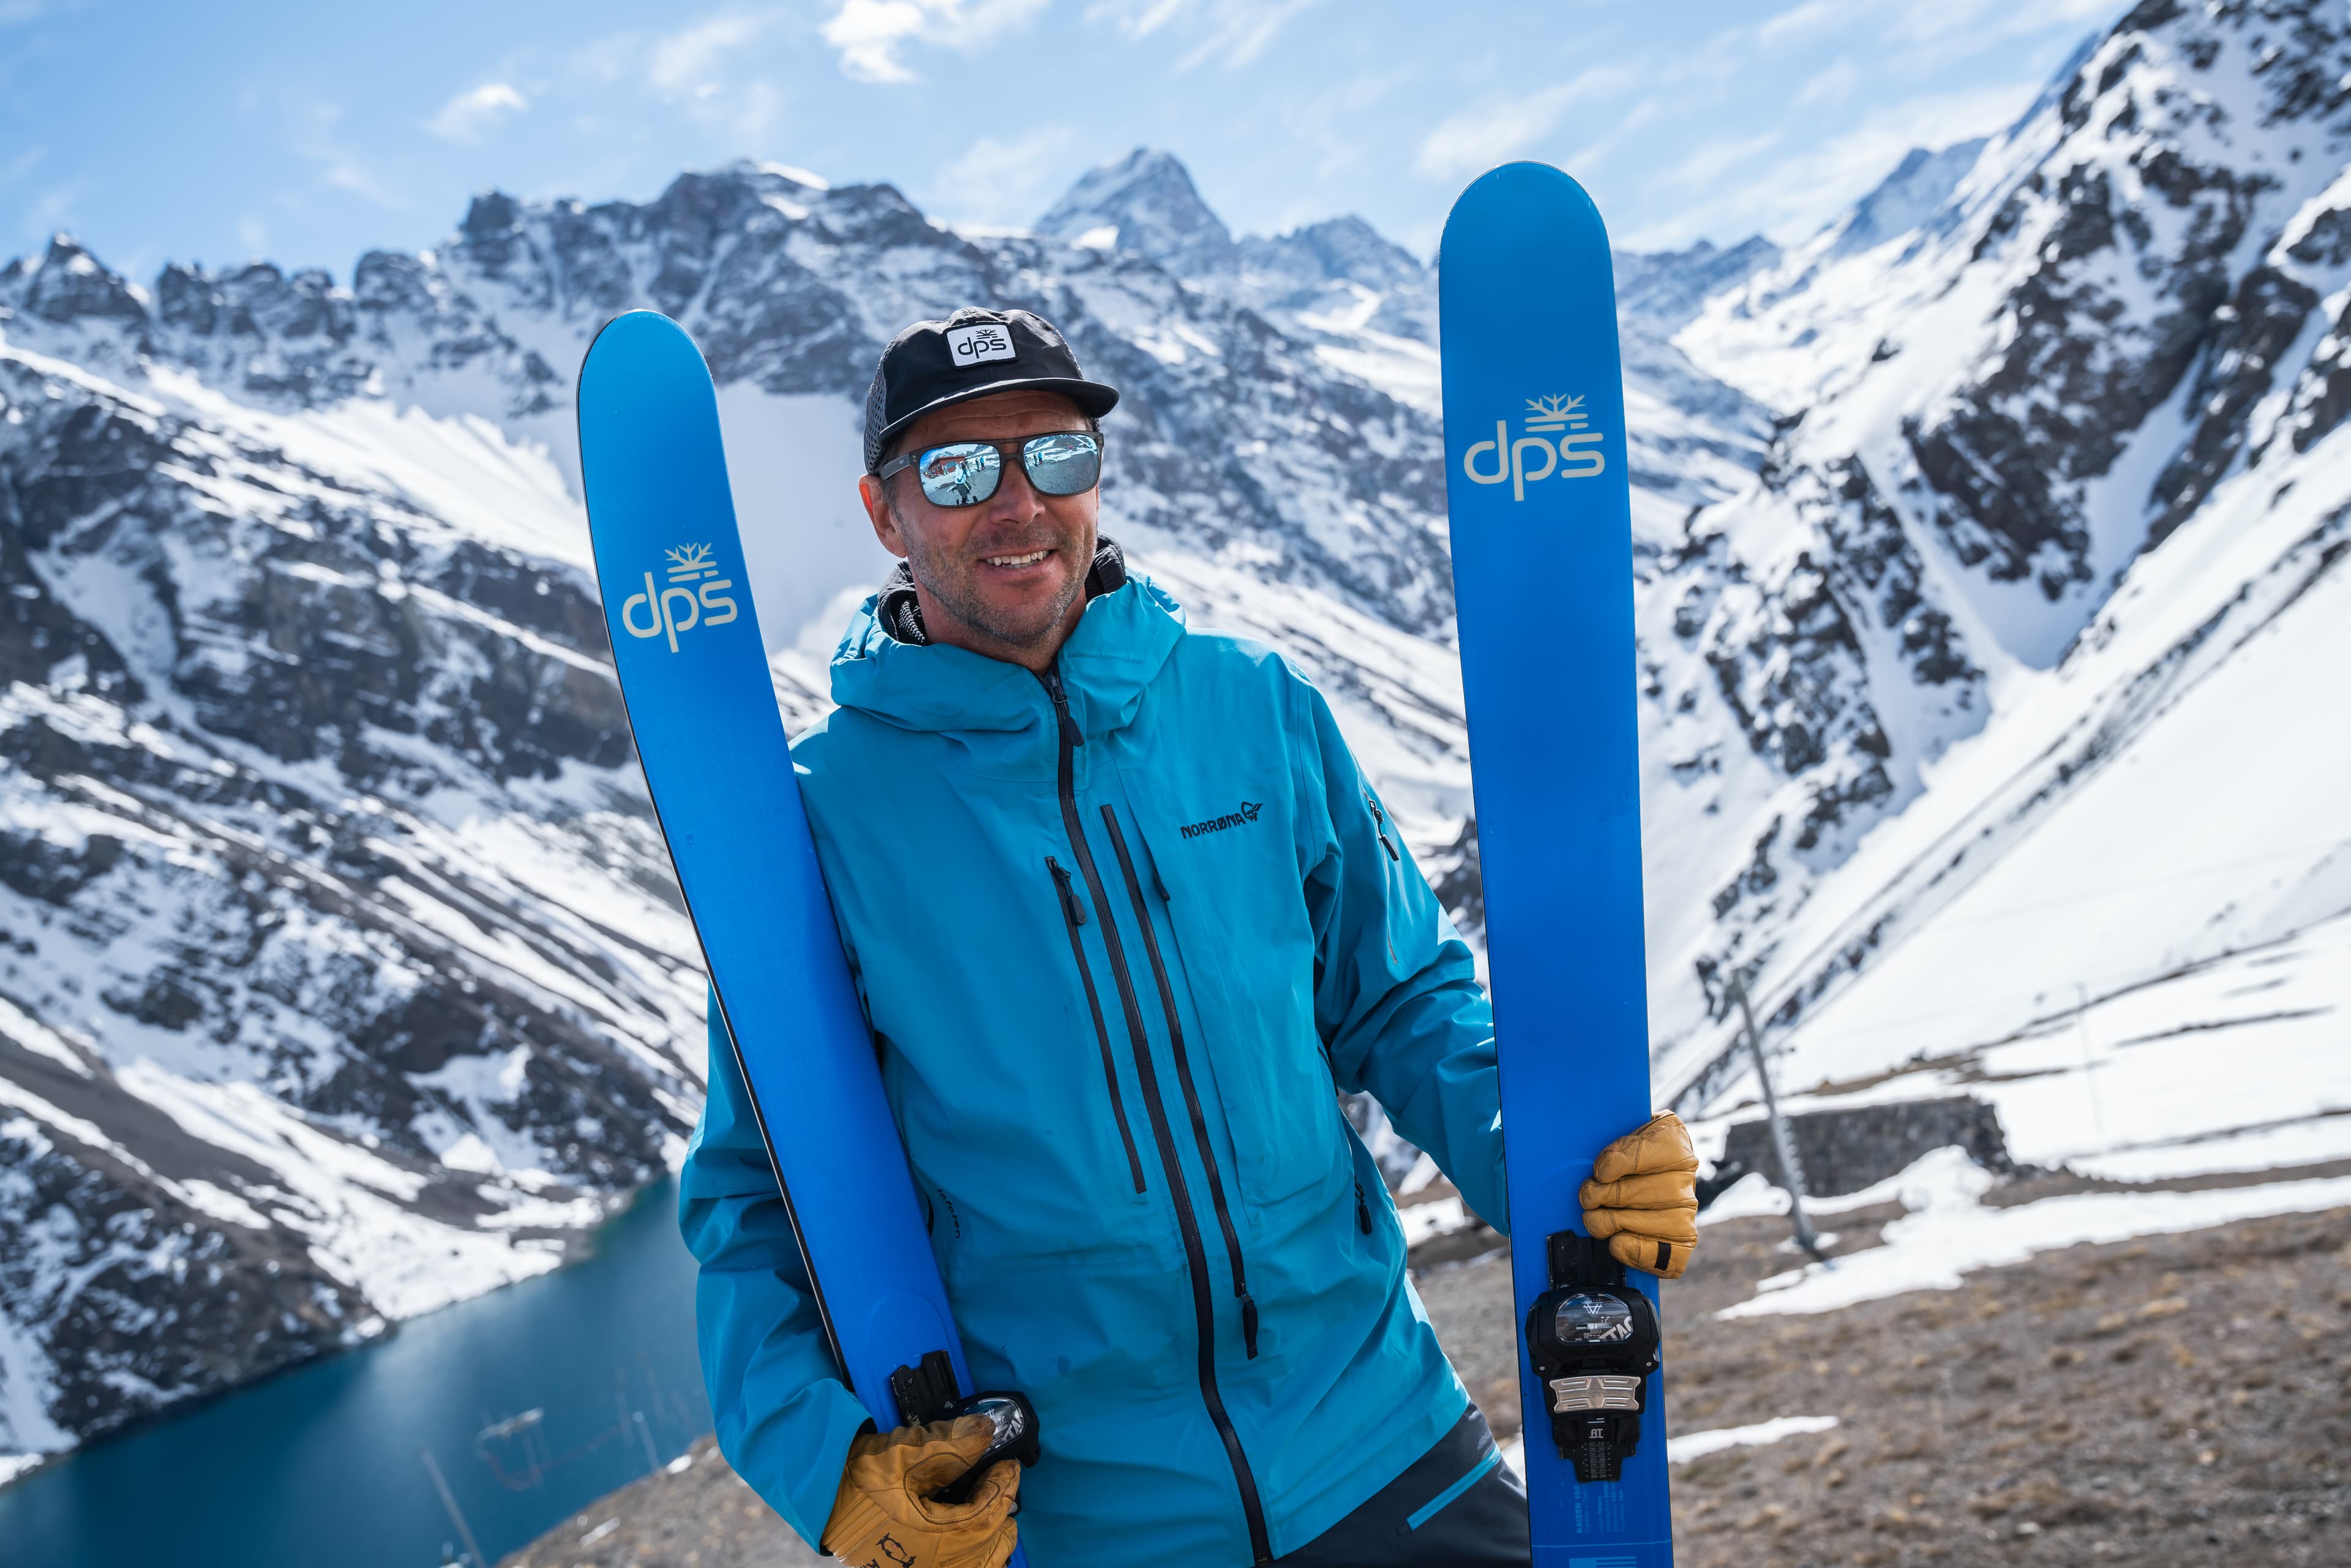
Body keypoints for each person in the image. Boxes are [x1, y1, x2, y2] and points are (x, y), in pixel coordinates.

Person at [678, 307, 1701, 1568]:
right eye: (957, 472)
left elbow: (1402, 1004)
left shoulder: (1253, 707)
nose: (1018, 504)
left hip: (1376, 1437)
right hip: (1087, 1520)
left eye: (1054, 454)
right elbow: (756, 1195)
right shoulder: (821, 822)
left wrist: (1550, 1154)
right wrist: (825, 1466)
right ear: (886, 516)